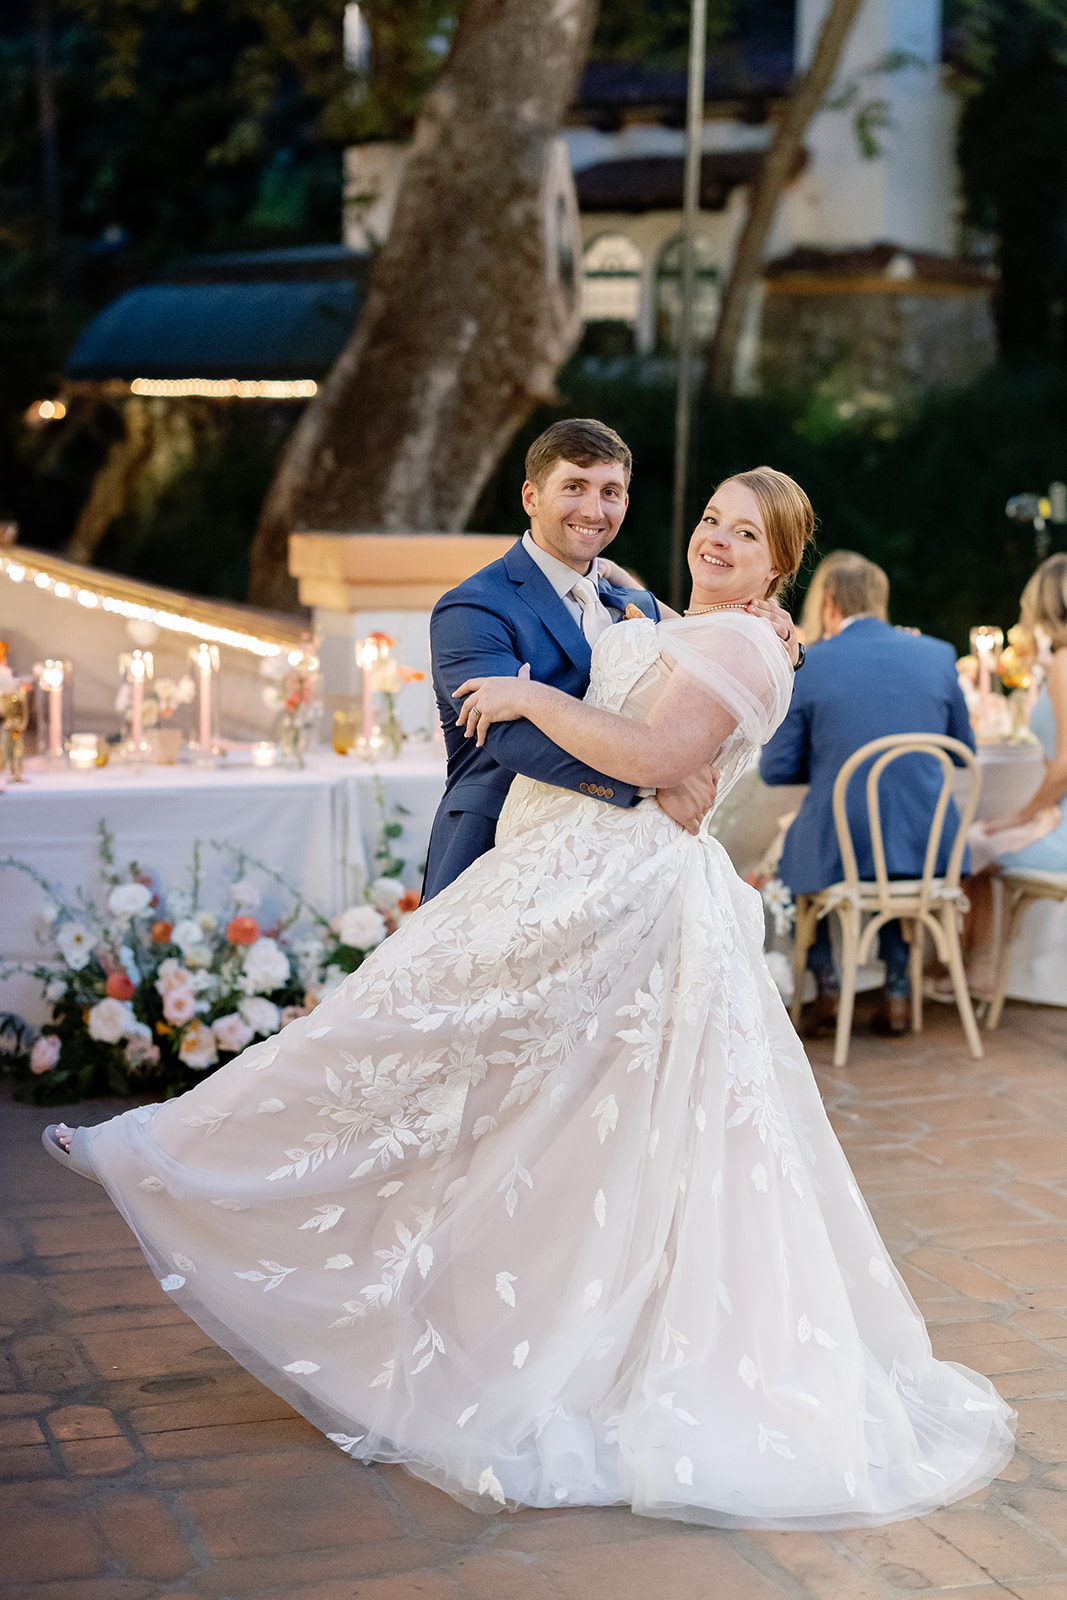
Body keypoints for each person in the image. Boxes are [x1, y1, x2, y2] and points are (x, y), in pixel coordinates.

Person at [43, 471, 1013, 1530]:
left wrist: (531, 694)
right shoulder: (676, 616)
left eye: (746, 534)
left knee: (421, 1047)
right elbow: (638, 666)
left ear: (780, 564)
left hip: (617, 890)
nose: (717, 541)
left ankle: (179, 1158)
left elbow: (652, 756)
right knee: (540, 1109)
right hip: (584, 879)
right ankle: (214, 1171)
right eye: (709, 521)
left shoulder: (737, 640)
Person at [423, 417, 799, 898]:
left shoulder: (629, 600)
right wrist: (652, 780)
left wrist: (788, 642)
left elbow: (714, 657)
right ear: (531, 498)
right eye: (574, 486)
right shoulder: (474, 606)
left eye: (610, 491)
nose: (593, 508)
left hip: (613, 869)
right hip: (496, 847)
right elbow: (509, 736)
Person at [760, 552, 975, 1036]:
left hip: (844, 839)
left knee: (789, 852)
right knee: (889, 849)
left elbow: (774, 770)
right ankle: (898, 992)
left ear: (830, 603)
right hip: (928, 842)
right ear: (881, 601)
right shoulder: (939, 654)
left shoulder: (810, 662)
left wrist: (832, 761)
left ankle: (827, 990)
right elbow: (962, 752)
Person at [956, 553, 1067, 989]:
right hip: (1058, 816)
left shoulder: (1062, 663)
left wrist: (1023, 816)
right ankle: (977, 968)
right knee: (982, 839)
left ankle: (973, 969)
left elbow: (1065, 765)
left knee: (972, 845)